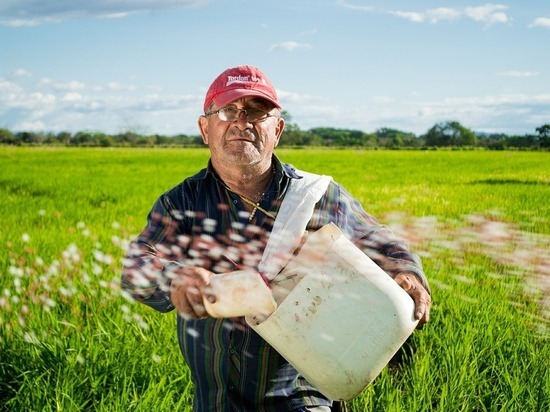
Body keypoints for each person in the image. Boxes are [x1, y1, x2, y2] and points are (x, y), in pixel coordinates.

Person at [121, 65, 431, 411]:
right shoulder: (182, 202)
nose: (242, 122)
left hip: (302, 398)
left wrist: (407, 271)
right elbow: (136, 267)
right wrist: (173, 277)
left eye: (257, 112)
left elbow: (378, 239)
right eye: (227, 111)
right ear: (205, 128)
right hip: (215, 401)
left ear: (277, 129)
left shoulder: (316, 196)